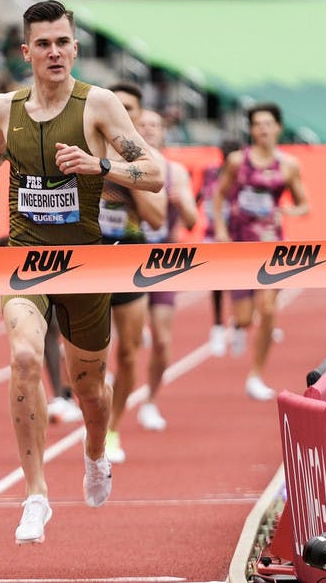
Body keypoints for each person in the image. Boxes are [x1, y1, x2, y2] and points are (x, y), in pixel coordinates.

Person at [0, 0, 163, 544]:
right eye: (44, 43)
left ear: (75, 47)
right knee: (25, 357)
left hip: (86, 267)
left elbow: (155, 174)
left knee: (90, 389)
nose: (55, 52)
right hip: (25, 261)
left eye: (63, 42)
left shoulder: (97, 104)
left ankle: (95, 452)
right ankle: (35, 495)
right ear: (25, 52)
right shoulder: (5, 107)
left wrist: (100, 165)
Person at [213, 102, 310, 400]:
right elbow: (219, 196)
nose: (263, 129)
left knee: (267, 309)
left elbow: (305, 204)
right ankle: (240, 325)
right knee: (244, 317)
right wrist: (220, 230)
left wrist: (289, 212)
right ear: (251, 129)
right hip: (241, 245)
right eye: (257, 124)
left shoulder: (289, 165)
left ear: (278, 127)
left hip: (272, 247)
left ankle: (255, 374)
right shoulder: (236, 161)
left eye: (268, 123)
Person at [101, 82, 167, 463]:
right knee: (87, 353)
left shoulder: (148, 159)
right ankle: (92, 414)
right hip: (88, 257)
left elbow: (157, 218)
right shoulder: (86, 145)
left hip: (129, 257)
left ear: (138, 117)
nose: (121, 111)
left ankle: (112, 429)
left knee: (127, 354)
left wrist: (125, 172)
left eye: (129, 108)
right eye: (116, 105)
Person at [135, 108, 197, 431]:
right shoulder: (124, 167)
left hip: (162, 264)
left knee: (162, 340)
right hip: (126, 262)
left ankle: (150, 401)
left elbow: (191, 221)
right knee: (122, 341)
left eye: (154, 125)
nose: (147, 129)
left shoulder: (175, 171)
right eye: (142, 124)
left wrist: (181, 202)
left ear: (162, 132)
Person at [198, 138, 242, 357]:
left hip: (237, 235)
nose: (227, 155)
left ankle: (238, 325)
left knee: (239, 283)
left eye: (232, 151)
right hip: (213, 234)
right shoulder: (211, 172)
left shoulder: (242, 175)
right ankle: (217, 325)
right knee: (215, 283)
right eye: (224, 150)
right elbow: (202, 194)